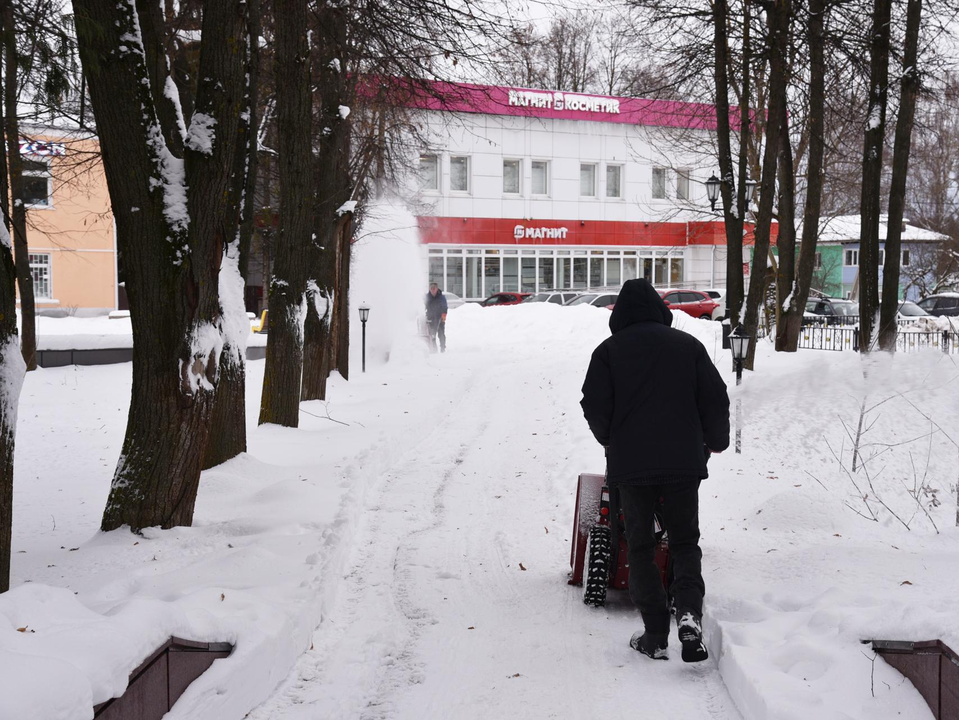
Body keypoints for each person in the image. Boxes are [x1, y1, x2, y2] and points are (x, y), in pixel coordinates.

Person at [580, 278, 729, 663]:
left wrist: (610, 439)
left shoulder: (608, 352)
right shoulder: (688, 347)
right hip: (683, 463)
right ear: (660, 311)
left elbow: (593, 403)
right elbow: (714, 397)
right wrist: (715, 440)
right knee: (684, 543)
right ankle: (689, 617)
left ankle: (656, 633)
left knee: (641, 546)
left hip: (631, 466)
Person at [424, 282, 448, 353]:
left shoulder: (441, 297)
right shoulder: (427, 297)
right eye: (431, 289)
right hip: (430, 318)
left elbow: (444, 307)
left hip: (440, 317)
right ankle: (434, 349)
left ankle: (443, 348)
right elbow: (423, 306)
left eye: (434, 289)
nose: (432, 290)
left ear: (437, 289)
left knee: (441, 334)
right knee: (431, 335)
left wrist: (443, 317)